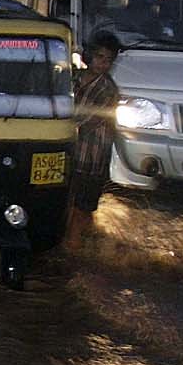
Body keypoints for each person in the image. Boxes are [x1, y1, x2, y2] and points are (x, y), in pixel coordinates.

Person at [65, 31, 121, 253]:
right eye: (100, 57)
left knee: (82, 208)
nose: (104, 64)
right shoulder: (73, 78)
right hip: (73, 155)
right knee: (70, 206)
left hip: (91, 160)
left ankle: (76, 249)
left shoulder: (107, 90)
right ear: (89, 55)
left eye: (108, 60)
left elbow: (83, 120)